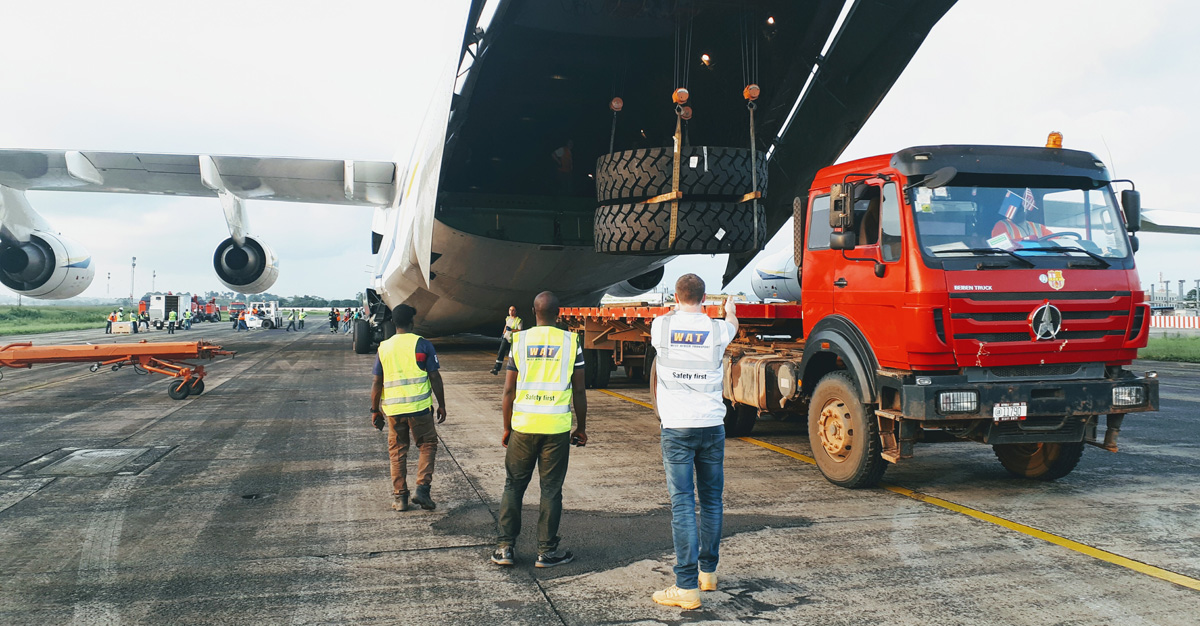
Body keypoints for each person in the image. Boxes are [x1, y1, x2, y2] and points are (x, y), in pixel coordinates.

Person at [648, 274, 738, 610]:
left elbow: (669, 321)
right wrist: (728, 309)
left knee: (683, 504)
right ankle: (708, 573)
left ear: (676, 296)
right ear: (704, 298)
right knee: (712, 501)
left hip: (677, 429)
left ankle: (686, 587)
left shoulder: (661, 326)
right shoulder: (718, 329)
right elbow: (732, 322)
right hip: (712, 426)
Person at [492, 291, 587, 569]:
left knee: (513, 485)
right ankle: (546, 552)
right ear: (559, 314)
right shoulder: (572, 343)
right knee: (551, 490)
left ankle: (505, 548)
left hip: (523, 426)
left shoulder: (520, 341)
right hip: (556, 427)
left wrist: (507, 427)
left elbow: (509, 390)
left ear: (534, 312)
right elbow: (579, 391)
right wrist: (581, 427)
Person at [370, 304, 447, 512]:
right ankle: (422, 489)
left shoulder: (384, 347)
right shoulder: (422, 344)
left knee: (397, 452)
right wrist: (441, 404)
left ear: (393, 323)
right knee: (428, 445)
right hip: (420, 408)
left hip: (394, 411)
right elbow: (434, 376)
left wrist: (375, 410)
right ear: (412, 322)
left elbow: (377, 382)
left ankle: (401, 498)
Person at [490, 306, 523, 375]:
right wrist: (503, 333)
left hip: (514, 340)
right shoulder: (508, 318)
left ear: (515, 311)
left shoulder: (518, 320)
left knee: (515, 355)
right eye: (510, 310)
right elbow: (506, 325)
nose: (511, 312)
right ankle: (496, 369)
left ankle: (518, 369)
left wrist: (512, 330)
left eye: (513, 310)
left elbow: (520, 330)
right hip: (506, 338)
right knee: (501, 352)